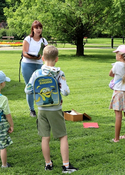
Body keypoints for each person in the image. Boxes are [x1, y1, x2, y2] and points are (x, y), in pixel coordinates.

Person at [25, 45, 78, 173]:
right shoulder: (59, 73)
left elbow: (27, 90)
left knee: (45, 137)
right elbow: (65, 92)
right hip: (55, 109)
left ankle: (48, 164)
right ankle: (66, 165)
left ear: (42, 58)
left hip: (41, 109)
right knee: (63, 136)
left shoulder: (36, 73)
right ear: (57, 59)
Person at [21, 20, 48, 117]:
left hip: (40, 64)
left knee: (42, 86)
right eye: (36, 28)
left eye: (40, 28)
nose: (39, 30)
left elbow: (47, 53)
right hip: (27, 64)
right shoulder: (28, 39)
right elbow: (24, 52)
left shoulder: (44, 40)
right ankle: (32, 110)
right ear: (33, 29)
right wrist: (33, 57)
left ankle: (43, 107)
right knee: (30, 87)